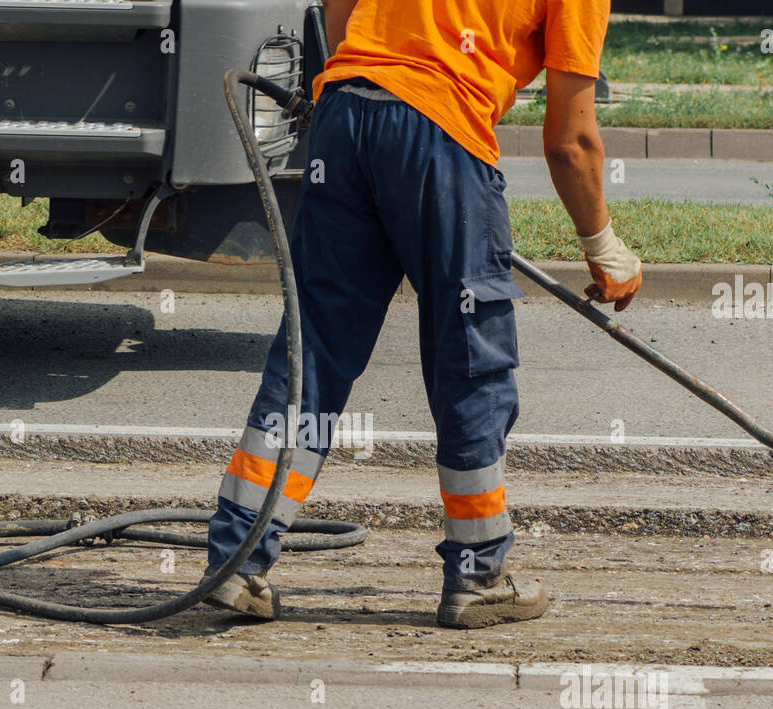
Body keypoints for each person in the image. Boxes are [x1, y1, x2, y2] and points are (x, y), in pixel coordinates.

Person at [203, 0, 642, 628]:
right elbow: (570, 142)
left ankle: (238, 559)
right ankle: (478, 572)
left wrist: (361, 93)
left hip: (346, 114)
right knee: (470, 360)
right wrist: (603, 245)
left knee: (315, 349)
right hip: (444, 133)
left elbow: (339, 9)